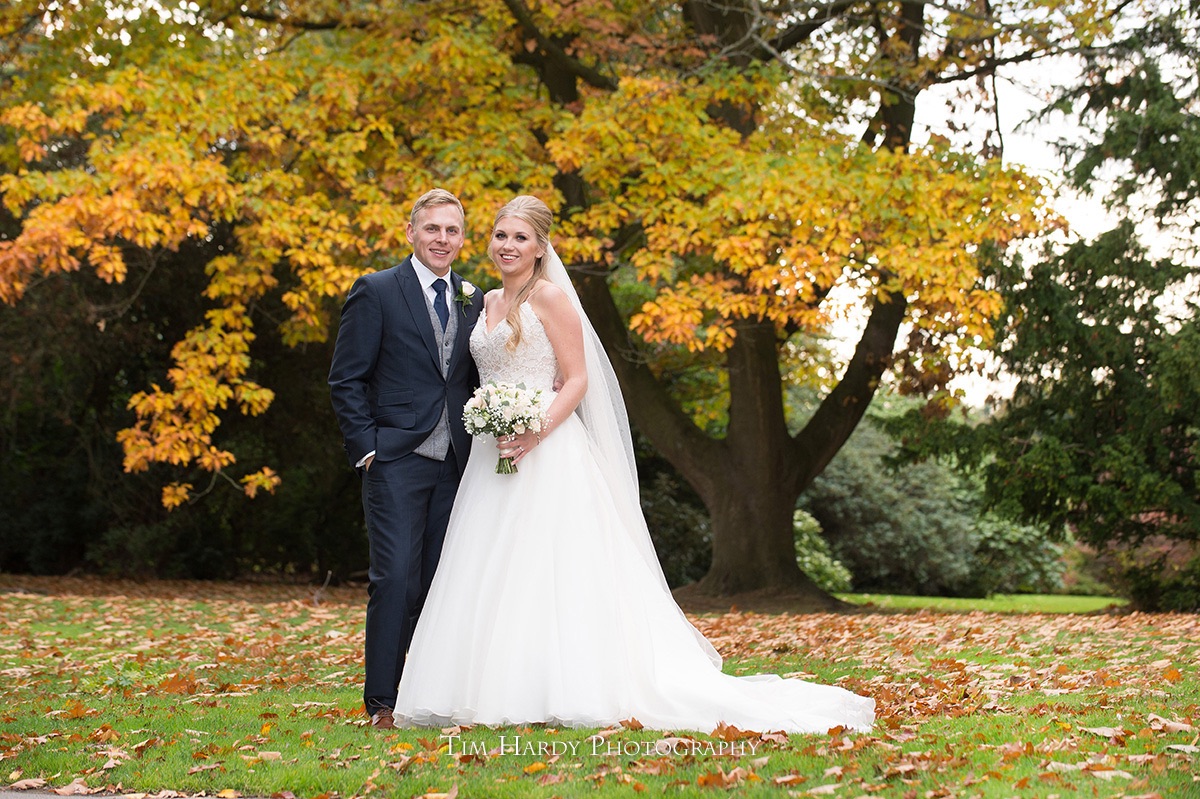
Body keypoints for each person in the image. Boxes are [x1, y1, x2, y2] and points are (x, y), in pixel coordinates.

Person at [392, 195, 874, 734]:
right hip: (492, 455)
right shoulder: (481, 303)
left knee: (550, 570)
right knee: (489, 570)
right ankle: (486, 689)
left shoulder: (549, 298)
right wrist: (494, 421)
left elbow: (577, 379)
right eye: (501, 235)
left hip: (546, 450)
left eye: (521, 238)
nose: (508, 246)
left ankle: (565, 687)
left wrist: (534, 430)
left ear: (540, 246)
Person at [328, 188, 483, 729]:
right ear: (411, 232)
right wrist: (367, 447)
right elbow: (345, 378)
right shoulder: (376, 291)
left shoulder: (474, 296)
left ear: (462, 238)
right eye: (433, 229)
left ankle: (429, 694)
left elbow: (475, 375)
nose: (443, 239)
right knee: (394, 578)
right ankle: (382, 702)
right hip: (395, 457)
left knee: (440, 582)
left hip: (458, 464)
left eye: (453, 230)